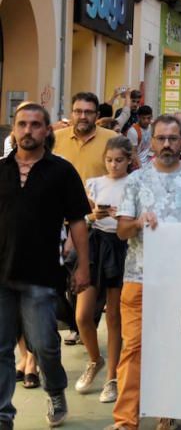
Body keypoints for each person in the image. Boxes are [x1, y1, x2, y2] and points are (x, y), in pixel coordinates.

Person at [111, 115, 181, 430]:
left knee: (173, 349)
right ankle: (126, 420)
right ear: (151, 142)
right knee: (134, 349)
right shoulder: (136, 181)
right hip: (139, 278)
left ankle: (167, 411)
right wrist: (137, 223)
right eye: (160, 138)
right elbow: (121, 231)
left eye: (172, 138)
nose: (166, 144)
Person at [0, 102, 91, 428]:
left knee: (45, 346)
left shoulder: (62, 171)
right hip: (2, 274)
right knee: (1, 348)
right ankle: (3, 416)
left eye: (36, 124)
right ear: (13, 129)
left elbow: (78, 221)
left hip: (41, 275)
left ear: (46, 130)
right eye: (22, 124)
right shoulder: (1, 169)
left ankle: (55, 390)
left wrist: (83, 268)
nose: (28, 130)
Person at [76, 137, 133, 404]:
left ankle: (111, 376)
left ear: (129, 160)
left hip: (121, 246)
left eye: (119, 160)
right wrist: (92, 216)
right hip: (96, 244)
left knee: (114, 315)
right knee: (82, 315)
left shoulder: (134, 184)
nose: (113, 165)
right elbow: (82, 216)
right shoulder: (95, 183)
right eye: (109, 160)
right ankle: (95, 360)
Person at [54, 91, 119, 183]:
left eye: (88, 112)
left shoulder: (112, 139)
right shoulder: (56, 138)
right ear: (71, 114)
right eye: (78, 111)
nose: (83, 116)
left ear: (97, 115)